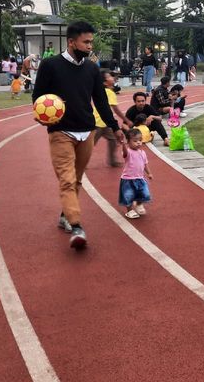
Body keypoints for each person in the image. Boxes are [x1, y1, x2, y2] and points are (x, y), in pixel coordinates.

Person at [33, 21, 124, 250]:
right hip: (60, 131)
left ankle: (65, 214)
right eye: (86, 42)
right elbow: (37, 96)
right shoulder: (50, 65)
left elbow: (101, 102)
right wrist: (42, 115)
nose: (89, 46)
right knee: (67, 180)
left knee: (77, 179)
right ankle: (76, 226)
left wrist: (115, 126)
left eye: (91, 41)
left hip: (87, 131)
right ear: (71, 42)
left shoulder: (92, 69)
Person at [92, 70, 127, 167]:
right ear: (104, 82)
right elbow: (116, 110)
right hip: (98, 122)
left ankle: (112, 160)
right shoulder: (108, 92)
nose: (112, 77)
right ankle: (78, 159)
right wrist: (127, 120)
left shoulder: (108, 91)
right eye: (109, 77)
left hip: (105, 123)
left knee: (112, 139)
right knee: (89, 144)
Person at [118, 128, 153, 220]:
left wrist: (149, 173)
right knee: (128, 196)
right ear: (128, 142)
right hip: (128, 179)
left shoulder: (143, 153)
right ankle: (129, 211)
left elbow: (145, 164)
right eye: (135, 141)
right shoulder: (128, 152)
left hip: (140, 178)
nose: (138, 142)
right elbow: (125, 153)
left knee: (144, 193)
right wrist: (123, 144)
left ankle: (138, 204)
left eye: (140, 140)